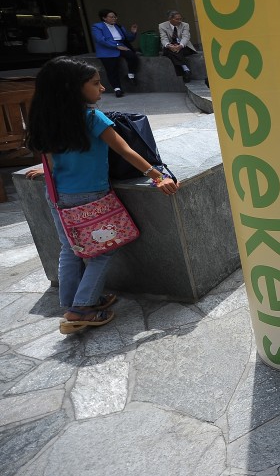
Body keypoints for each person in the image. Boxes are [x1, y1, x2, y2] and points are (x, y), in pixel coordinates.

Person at [24, 57, 178, 335]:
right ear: (73, 88)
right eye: (95, 83)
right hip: (91, 197)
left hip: (57, 195)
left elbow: (52, 157)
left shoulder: (46, 118)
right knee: (103, 251)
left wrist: (43, 170)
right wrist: (158, 177)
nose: (102, 88)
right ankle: (82, 307)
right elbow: (126, 151)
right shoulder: (93, 118)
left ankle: (72, 301)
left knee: (70, 249)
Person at [90, 9, 139, 98]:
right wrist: (116, 46)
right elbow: (100, 40)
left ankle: (130, 75)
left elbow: (128, 38)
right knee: (112, 69)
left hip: (120, 47)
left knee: (132, 56)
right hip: (106, 49)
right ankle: (117, 89)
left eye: (115, 17)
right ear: (104, 18)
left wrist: (133, 32)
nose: (114, 19)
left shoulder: (119, 26)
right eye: (111, 17)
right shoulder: (97, 27)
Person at [158, 10, 198, 82]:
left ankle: (184, 71)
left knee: (174, 53)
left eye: (180, 19)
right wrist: (169, 45)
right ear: (170, 19)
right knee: (171, 51)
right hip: (170, 46)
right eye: (177, 19)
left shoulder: (185, 25)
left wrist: (180, 46)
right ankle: (186, 70)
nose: (180, 21)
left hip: (184, 46)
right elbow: (163, 38)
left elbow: (186, 37)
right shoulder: (162, 26)